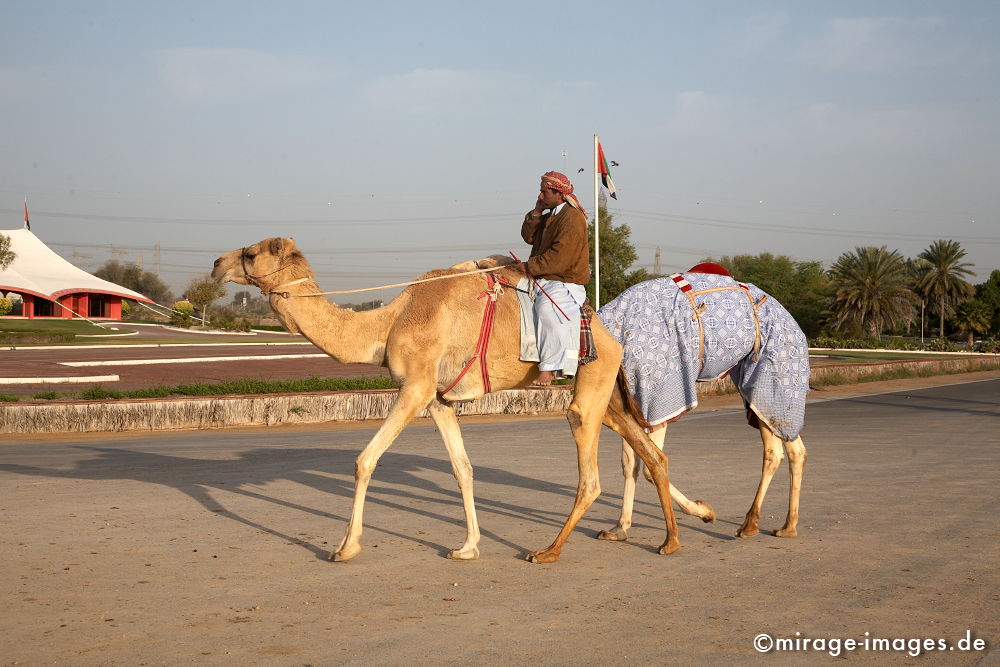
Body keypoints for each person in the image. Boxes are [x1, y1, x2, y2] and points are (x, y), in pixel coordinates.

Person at [513, 171, 591, 386]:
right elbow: (529, 237)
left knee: (547, 310)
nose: (540, 196)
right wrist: (537, 212)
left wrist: (529, 266)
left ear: (558, 194)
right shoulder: (550, 214)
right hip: (542, 278)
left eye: (544, 192)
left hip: (563, 282)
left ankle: (549, 368)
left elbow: (560, 258)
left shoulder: (572, 218)